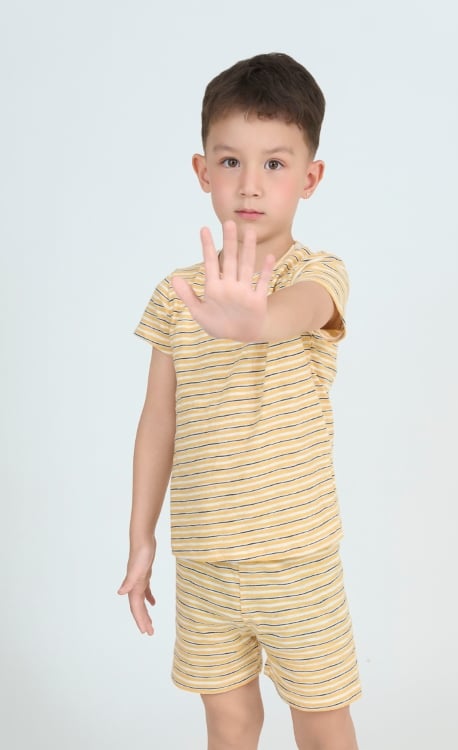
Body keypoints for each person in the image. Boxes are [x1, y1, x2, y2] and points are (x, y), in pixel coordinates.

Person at [118, 52, 362, 750]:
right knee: (229, 722)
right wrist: (141, 539)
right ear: (203, 171)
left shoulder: (318, 274)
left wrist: (252, 321)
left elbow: (300, 311)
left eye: (275, 164)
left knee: (320, 719)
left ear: (310, 177)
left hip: (297, 561)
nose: (250, 183)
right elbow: (157, 422)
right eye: (230, 162)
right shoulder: (178, 294)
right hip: (204, 562)